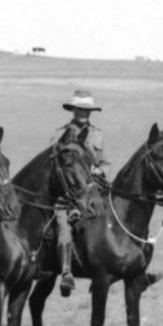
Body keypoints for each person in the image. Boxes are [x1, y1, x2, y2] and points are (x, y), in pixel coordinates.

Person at [50, 89, 108, 297]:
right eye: (80, 109)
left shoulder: (97, 134)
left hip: (93, 190)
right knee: (64, 224)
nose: (84, 113)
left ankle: (129, 267)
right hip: (68, 193)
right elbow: (53, 164)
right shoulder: (60, 134)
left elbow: (105, 162)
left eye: (88, 109)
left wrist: (99, 171)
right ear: (73, 109)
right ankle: (66, 272)